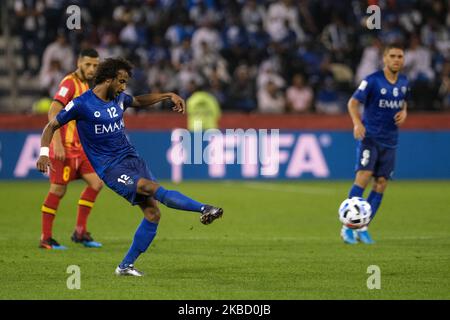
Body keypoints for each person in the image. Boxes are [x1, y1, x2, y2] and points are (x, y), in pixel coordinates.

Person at [36, 58, 224, 276]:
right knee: (148, 187)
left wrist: (168, 95)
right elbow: (51, 126)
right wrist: (44, 153)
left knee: (153, 214)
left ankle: (125, 266)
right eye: (121, 82)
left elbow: (138, 100)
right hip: (110, 168)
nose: (124, 87)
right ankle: (204, 208)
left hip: (133, 160)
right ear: (108, 80)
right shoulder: (81, 104)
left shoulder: (119, 99)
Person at [342, 44, 409, 244]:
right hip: (370, 138)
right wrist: (356, 123)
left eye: (400, 56)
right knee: (363, 177)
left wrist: (405, 112)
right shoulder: (372, 81)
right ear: (385, 59)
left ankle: (363, 227)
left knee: (381, 184)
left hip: (391, 141)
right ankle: (347, 228)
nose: (397, 59)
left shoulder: (404, 82)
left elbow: (404, 101)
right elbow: (352, 103)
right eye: (393, 56)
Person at [39, 49, 103, 250]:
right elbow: (53, 110)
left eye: (95, 65)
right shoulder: (69, 83)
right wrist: (56, 141)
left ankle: (80, 232)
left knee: (96, 183)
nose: (91, 68)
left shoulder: (85, 85)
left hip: (78, 148)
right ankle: (46, 238)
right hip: (63, 148)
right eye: (87, 64)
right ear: (79, 62)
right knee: (58, 190)